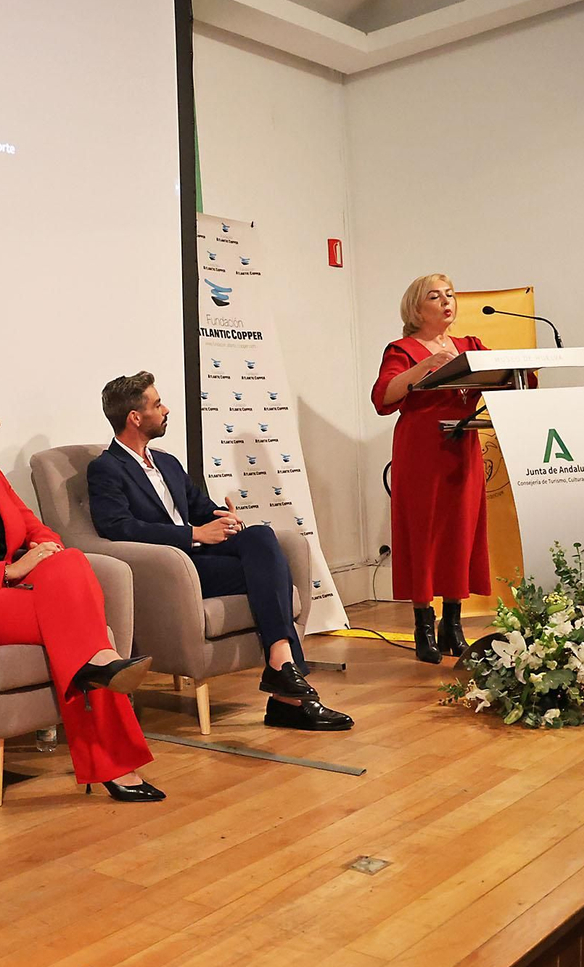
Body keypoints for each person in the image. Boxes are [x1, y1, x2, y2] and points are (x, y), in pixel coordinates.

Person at [0, 382, 163, 802]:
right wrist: (9, 570)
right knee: (86, 629)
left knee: (71, 561)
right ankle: (114, 757)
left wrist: (45, 547)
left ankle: (100, 667)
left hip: (21, 592)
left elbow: (34, 526)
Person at [87, 372, 353, 731]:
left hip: (201, 557)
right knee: (272, 575)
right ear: (135, 417)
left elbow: (199, 506)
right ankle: (287, 693)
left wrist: (224, 519)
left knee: (260, 537)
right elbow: (118, 527)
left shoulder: (166, 462)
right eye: (157, 404)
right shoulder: (106, 468)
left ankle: (282, 665)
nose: (166, 410)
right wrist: (193, 534)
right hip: (175, 568)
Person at [371, 273, 491, 664]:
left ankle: (452, 624)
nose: (446, 302)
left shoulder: (469, 346)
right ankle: (423, 623)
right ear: (416, 308)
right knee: (423, 533)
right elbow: (383, 397)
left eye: (450, 295)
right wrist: (425, 367)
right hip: (421, 451)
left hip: (461, 445)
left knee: (460, 530)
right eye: (435, 297)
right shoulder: (402, 349)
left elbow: (505, 374)